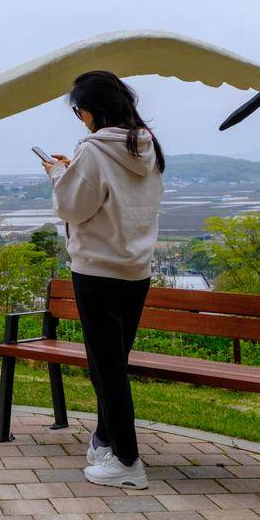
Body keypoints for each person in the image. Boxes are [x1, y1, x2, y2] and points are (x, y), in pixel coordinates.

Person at [41, 70, 164, 489]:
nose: (81, 119)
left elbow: (73, 207)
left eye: (80, 111)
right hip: (136, 271)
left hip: (97, 272)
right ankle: (105, 440)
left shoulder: (94, 151)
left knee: (107, 370)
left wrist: (58, 173)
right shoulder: (146, 146)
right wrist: (71, 169)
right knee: (110, 363)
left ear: (91, 111)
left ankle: (128, 462)